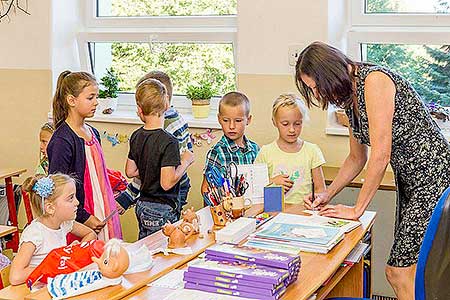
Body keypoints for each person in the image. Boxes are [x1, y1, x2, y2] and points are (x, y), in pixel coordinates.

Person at [295, 41, 450, 299]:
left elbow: (380, 154)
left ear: (330, 71)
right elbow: (357, 158)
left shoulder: (374, 80)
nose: (319, 95)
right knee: (406, 272)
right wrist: (327, 194)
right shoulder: (349, 99)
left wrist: (357, 209)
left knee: (399, 272)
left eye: (317, 86)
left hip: (434, 176)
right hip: (411, 181)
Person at [47, 70, 122, 242]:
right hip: (80, 216)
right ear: (71, 100)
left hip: (103, 209)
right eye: (90, 98)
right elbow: (58, 189)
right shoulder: (62, 140)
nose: (96, 102)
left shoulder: (93, 132)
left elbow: (98, 176)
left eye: (97, 97)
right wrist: (84, 217)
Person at [116, 71, 193, 218]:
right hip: (175, 187)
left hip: (164, 195)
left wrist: (127, 198)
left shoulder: (163, 132)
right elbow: (185, 153)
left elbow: (156, 176)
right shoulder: (179, 120)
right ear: (166, 102)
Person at [9, 174, 96, 285]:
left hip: (54, 284)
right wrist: (53, 266)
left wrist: (74, 252)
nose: (77, 202)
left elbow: (90, 234)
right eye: (70, 198)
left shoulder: (64, 223)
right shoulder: (35, 234)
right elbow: (15, 277)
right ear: (50, 208)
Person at [255, 94, 326, 205]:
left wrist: (316, 202)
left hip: (303, 213)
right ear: (274, 122)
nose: (292, 129)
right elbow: (255, 190)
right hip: (274, 213)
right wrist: (272, 182)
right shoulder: (265, 152)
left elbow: (321, 190)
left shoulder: (312, 151)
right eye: (285, 124)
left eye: (297, 124)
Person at [201, 92, 260, 194]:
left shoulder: (255, 149)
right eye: (226, 120)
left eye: (237, 120)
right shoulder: (217, 152)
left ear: (248, 120)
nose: (231, 126)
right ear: (219, 119)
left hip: (252, 206)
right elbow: (206, 189)